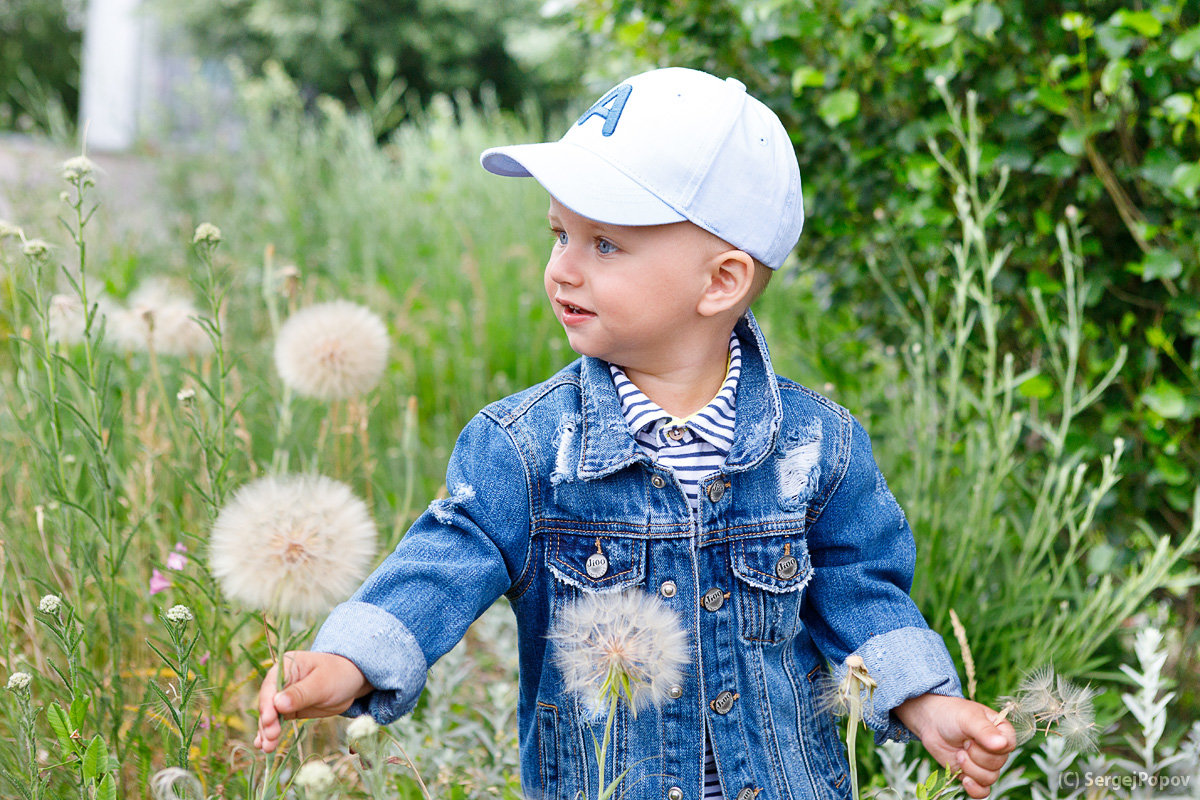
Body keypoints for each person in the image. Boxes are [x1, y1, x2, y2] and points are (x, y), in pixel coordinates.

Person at [253, 67, 1016, 800]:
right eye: (559, 234)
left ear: (721, 280)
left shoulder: (818, 447)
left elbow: (857, 589)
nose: (563, 270)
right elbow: (446, 558)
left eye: (605, 244)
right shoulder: (528, 447)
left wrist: (925, 701)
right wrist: (348, 658)